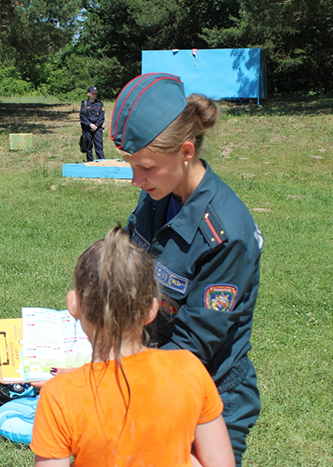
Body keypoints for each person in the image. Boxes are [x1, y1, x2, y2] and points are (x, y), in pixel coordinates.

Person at [110, 73, 263, 467]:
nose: (136, 180)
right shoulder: (157, 196)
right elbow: (129, 271)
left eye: (145, 167)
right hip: (151, 368)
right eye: (131, 166)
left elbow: (193, 347)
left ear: (186, 151)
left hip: (208, 394)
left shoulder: (226, 234)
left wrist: (116, 378)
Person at [30, 227, 234, 467]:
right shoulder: (190, 369)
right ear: (152, 309)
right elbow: (221, 462)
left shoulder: (59, 395)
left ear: (73, 304)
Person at [79, 85, 105, 161]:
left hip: (97, 128)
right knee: (88, 147)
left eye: (95, 93)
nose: (94, 95)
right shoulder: (85, 104)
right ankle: (90, 163)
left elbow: (101, 117)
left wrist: (96, 125)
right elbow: (82, 116)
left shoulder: (100, 104)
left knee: (99, 146)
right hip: (88, 128)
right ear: (88, 94)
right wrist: (90, 124)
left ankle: (101, 162)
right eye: (93, 93)